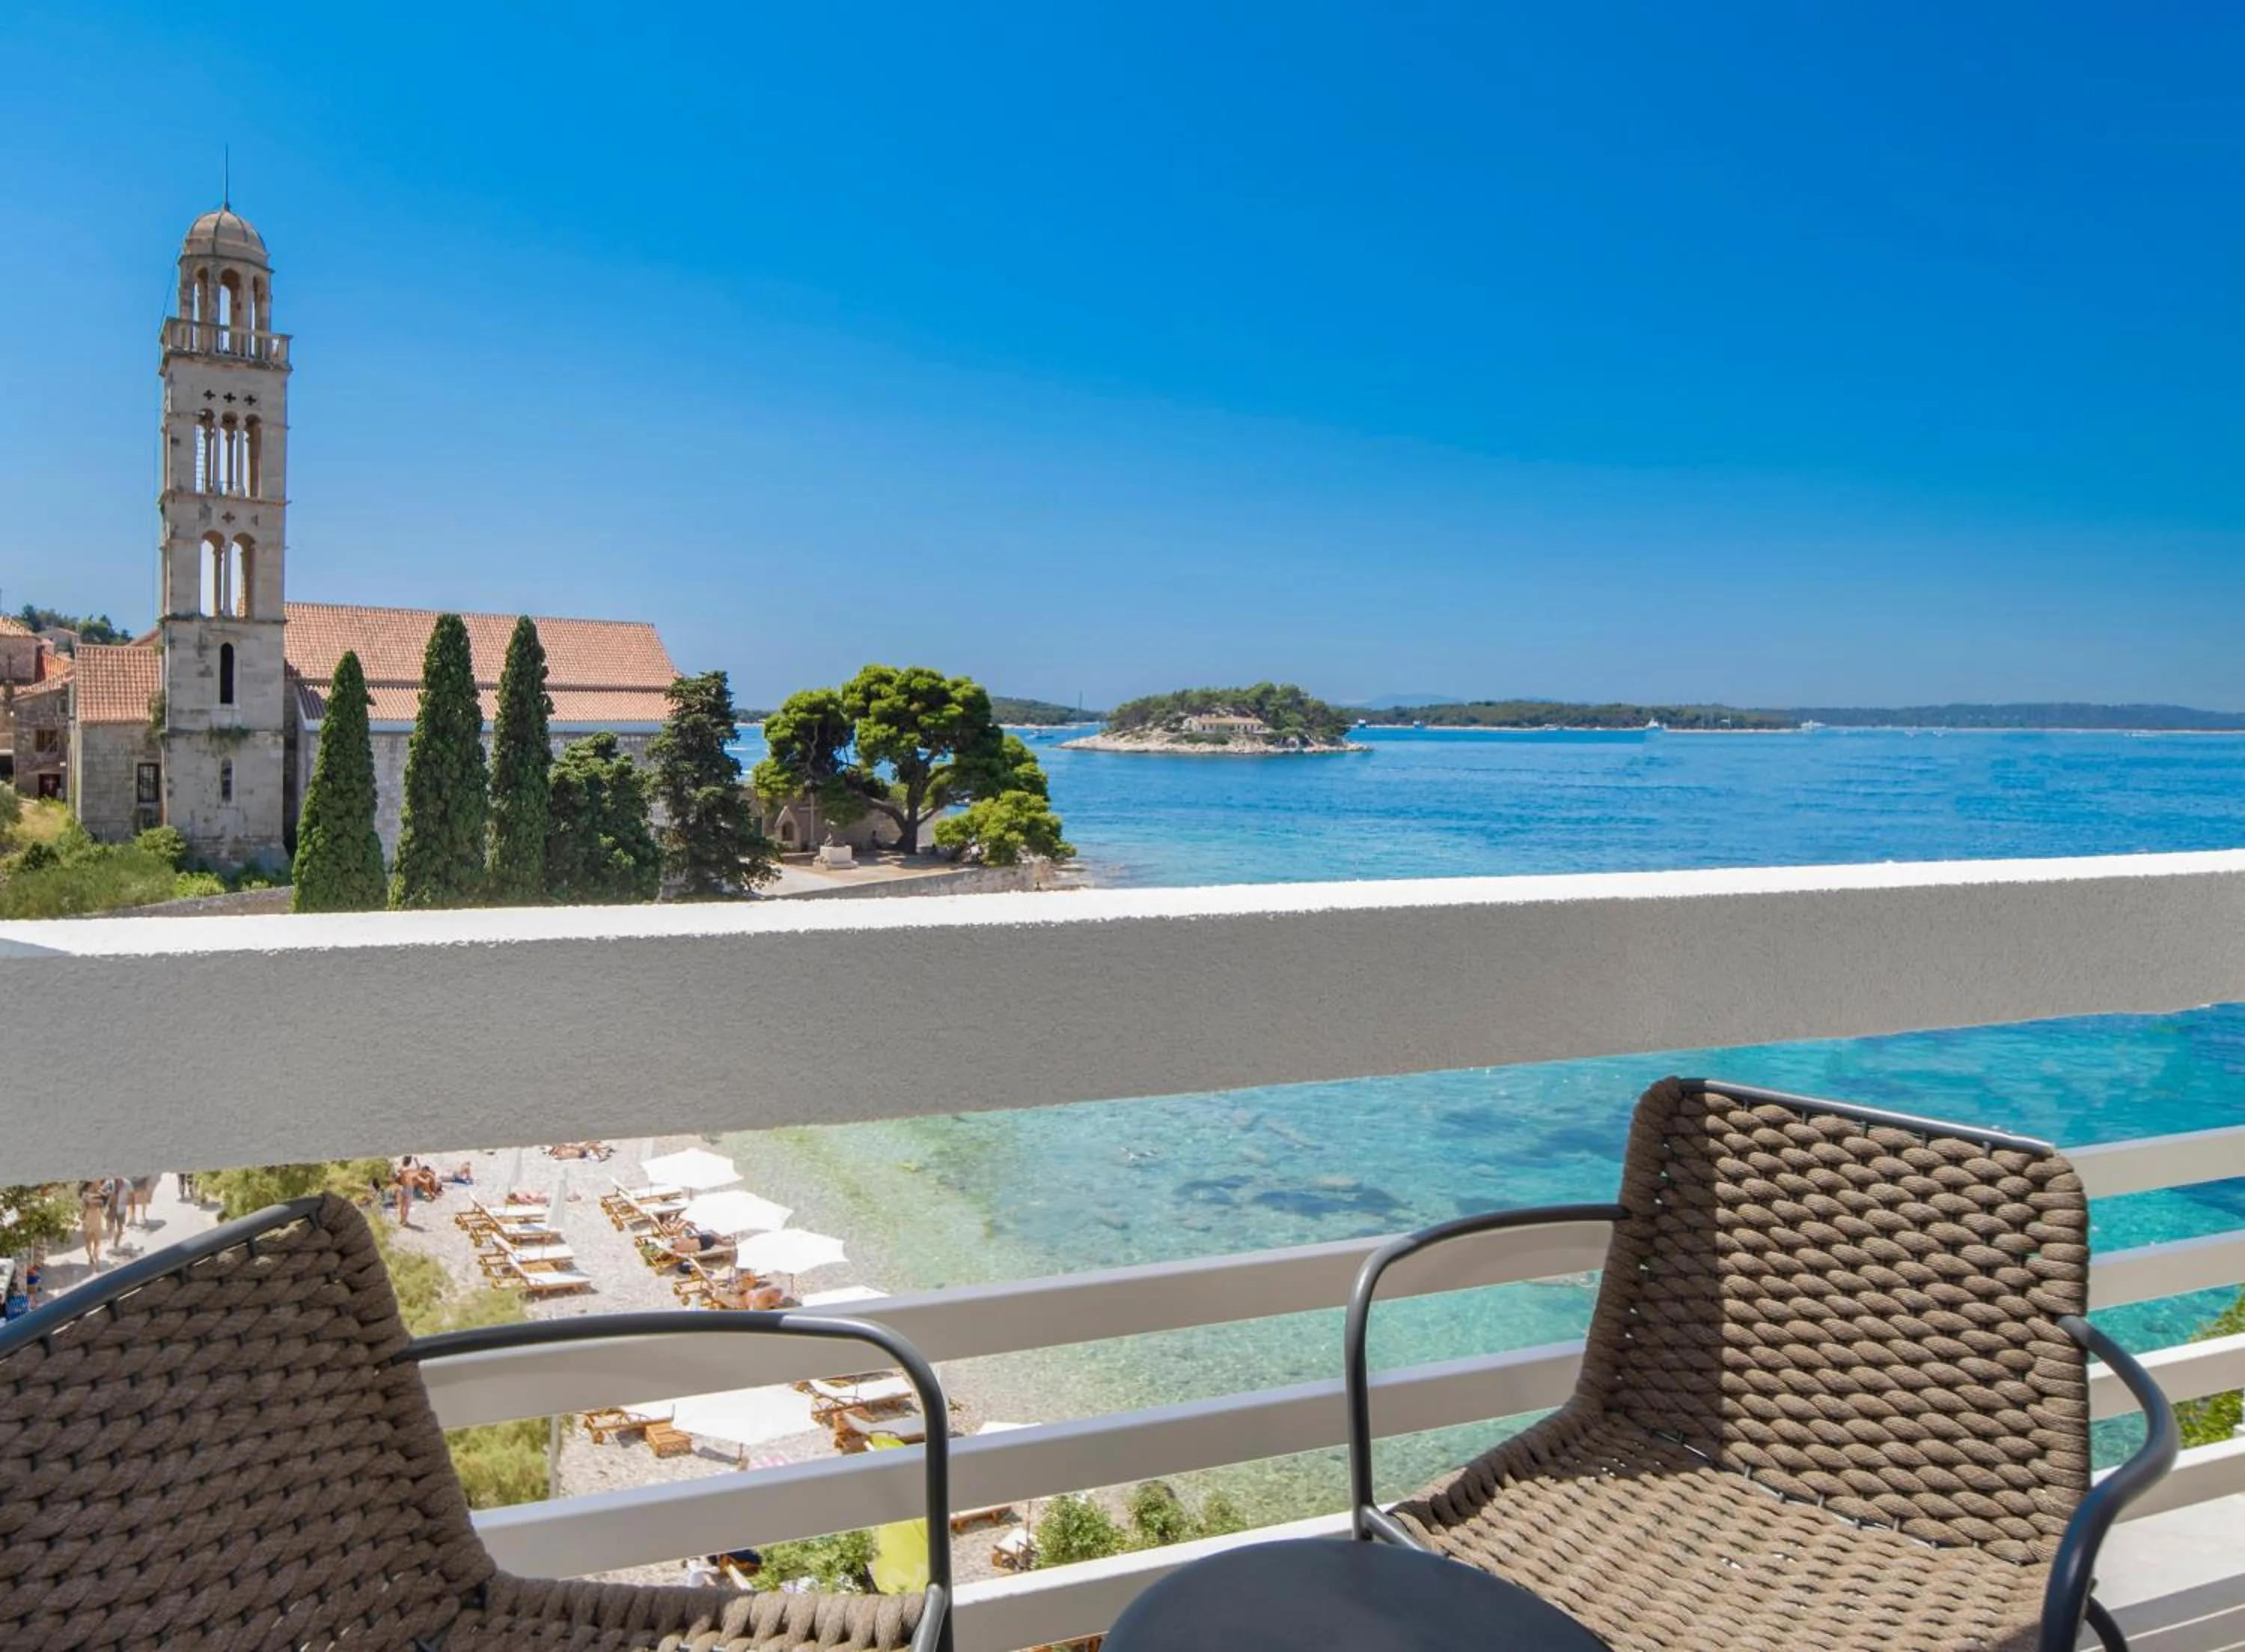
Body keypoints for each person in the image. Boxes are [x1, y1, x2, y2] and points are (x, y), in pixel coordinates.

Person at [79, 1181, 108, 1269]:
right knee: (97, 1242)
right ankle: (97, 1261)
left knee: (88, 1241)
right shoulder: (100, 1195)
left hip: (88, 1218)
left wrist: (82, 1218)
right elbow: (104, 1205)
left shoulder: (84, 1195)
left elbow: (82, 1210)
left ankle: (91, 1257)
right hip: (97, 1217)